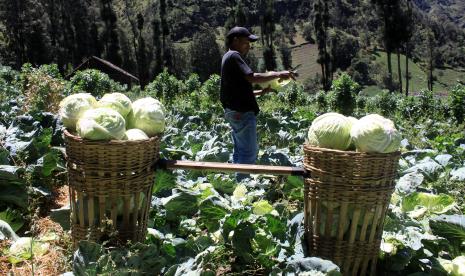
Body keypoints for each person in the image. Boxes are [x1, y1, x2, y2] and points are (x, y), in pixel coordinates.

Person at [220, 26, 294, 181]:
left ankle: (238, 185)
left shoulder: (227, 57)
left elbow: (236, 90)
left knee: (240, 151)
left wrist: (261, 93)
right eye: (246, 42)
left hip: (235, 111)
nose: (249, 45)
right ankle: (244, 190)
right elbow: (252, 77)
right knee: (249, 153)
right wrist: (277, 74)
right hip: (241, 113)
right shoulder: (234, 55)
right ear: (235, 40)